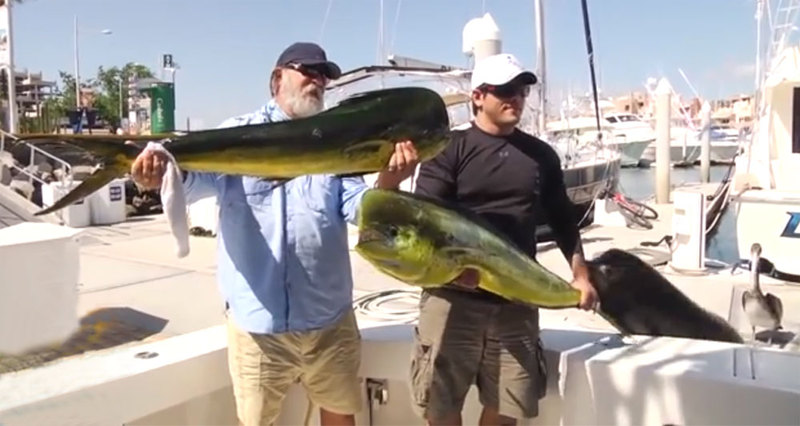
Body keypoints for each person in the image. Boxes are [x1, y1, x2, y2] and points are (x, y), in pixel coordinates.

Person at [129, 42, 419, 426]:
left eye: (324, 76)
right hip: (258, 327)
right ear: (276, 79)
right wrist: (156, 175)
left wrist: (389, 181)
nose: (318, 80)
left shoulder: (336, 141)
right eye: (309, 71)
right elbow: (190, 181)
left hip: (329, 321)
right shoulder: (239, 133)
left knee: (341, 417)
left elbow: (360, 209)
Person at [408, 53, 600, 426]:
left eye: (521, 89)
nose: (516, 96)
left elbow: (563, 218)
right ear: (478, 96)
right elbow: (426, 218)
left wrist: (580, 273)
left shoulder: (541, 156)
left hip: (516, 299)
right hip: (452, 298)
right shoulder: (449, 148)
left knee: (508, 407)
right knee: (441, 408)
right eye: (504, 90)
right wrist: (449, 273)